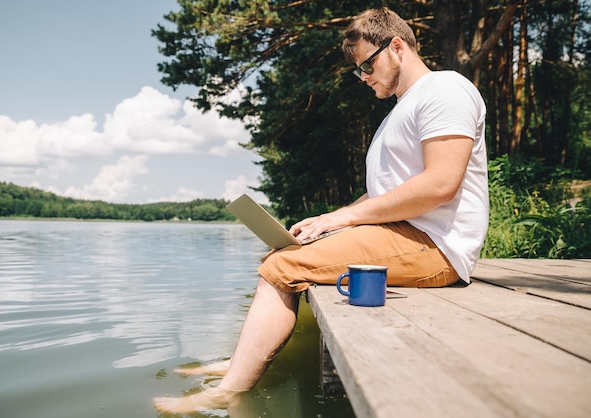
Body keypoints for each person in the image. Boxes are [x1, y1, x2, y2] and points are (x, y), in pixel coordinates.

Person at [154, 6, 489, 414]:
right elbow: (390, 192)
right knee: (280, 257)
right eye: (358, 71)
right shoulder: (401, 110)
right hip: (409, 237)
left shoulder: (445, 90)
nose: (363, 77)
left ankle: (228, 392)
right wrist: (331, 218)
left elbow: (440, 184)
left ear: (397, 46)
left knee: (280, 269)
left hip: (436, 247)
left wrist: (344, 220)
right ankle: (237, 363)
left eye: (367, 65)